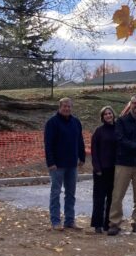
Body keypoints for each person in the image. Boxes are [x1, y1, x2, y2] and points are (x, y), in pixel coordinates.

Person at [107, 95, 136, 236]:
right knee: (117, 195)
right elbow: (120, 140)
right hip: (124, 163)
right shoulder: (121, 121)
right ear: (130, 104)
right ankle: (115, 223)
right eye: (134, 103)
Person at [44, 97, 85, 231]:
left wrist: (82, 157)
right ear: (59, 107)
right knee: (56, 193)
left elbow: (80, 141)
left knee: (71, 193)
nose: (67, 108)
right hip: (57, 165)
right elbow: (48, 144)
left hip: (72, 164)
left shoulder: (76, 122)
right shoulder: (52, 123)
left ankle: (69, 220)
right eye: (64, 106)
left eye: (69, 106)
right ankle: (55, 221)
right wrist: (50, 162)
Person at [90, 106, 117, 234]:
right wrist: (97, 168)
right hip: (101, 170)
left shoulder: (119, 129)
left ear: (113, 115)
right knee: (99, 198)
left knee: (112, 198)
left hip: (115, 170)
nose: (108, 116)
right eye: (105, 114)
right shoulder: (98, 131)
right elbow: (94, 152)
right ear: (102, 117)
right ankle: (97, 224)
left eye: (109, 113)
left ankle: (108, 223)